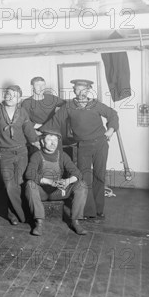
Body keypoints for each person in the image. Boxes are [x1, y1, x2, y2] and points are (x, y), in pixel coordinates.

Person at [45, 79, 119, 220]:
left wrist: (110, 130)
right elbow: (54, 121)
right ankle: (88, 210)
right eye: (77, 90)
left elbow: (112, 114)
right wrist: (37, 132)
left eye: (83, 90)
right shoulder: (68, 107)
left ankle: (99, 209)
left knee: (99, 175)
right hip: (83, 146)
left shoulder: (96, 104)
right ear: (74, 91)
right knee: (84, 178)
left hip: (100, 144)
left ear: (88, 90)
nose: (81, 93)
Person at [0, 85, 39, 225]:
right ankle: (23, 216)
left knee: (19, 183)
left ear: (18, 99)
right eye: (8, 94)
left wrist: (37, 143)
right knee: (10, 185)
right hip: (4, 153)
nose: (10, 98)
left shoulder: (22, 112)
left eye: (14, 96)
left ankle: (12, 214)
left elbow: (29, 130)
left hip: (22, 151)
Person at [24, 127, 88, 236]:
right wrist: (50, 182)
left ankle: (75, 221)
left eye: (55, 140)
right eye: (49, 140)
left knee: (82, 185)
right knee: (30, 184)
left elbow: (78, 174)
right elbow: (29, 174)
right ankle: (39, 223)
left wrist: (68, 181)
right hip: (42, 192)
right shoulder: (36, 156)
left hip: (58, 191)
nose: (53, 143)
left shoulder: (62, 156)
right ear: (42, 141)